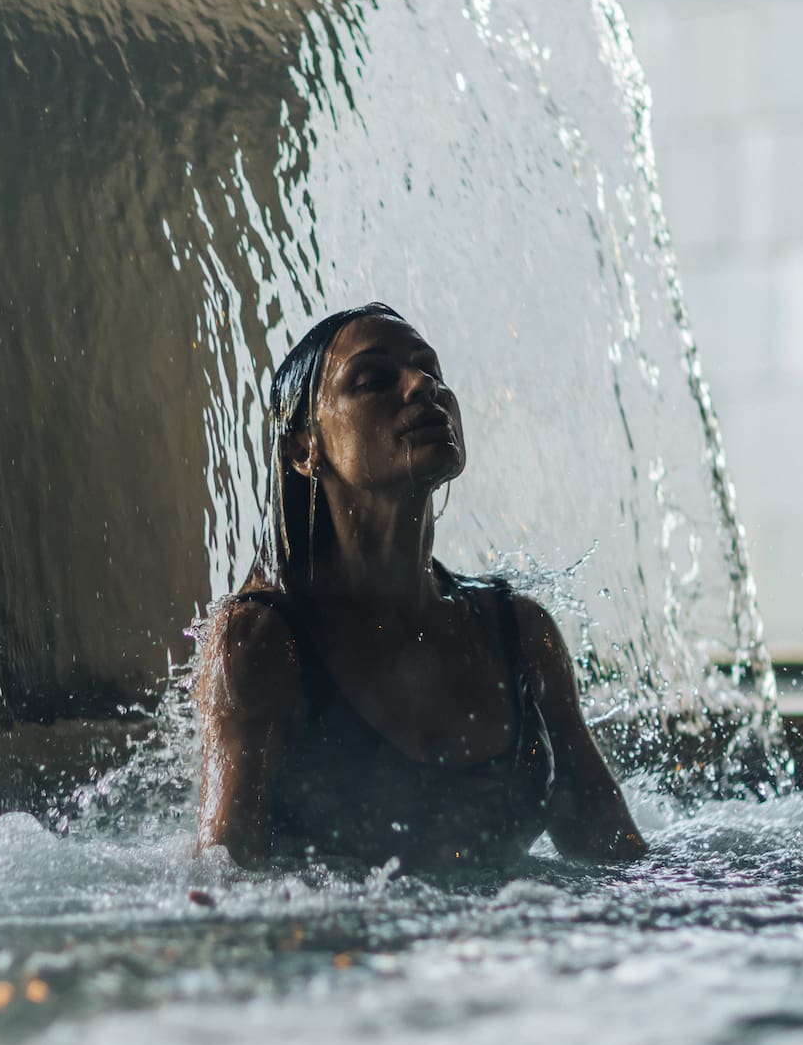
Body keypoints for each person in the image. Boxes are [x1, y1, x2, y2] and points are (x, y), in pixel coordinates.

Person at [196, 303, 645, 873]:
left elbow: (621, 865)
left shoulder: (520, 637)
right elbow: (223, 883)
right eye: (374, 379)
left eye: (431, 371)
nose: (422, 387)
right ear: (305, 450)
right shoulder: (261, 641)